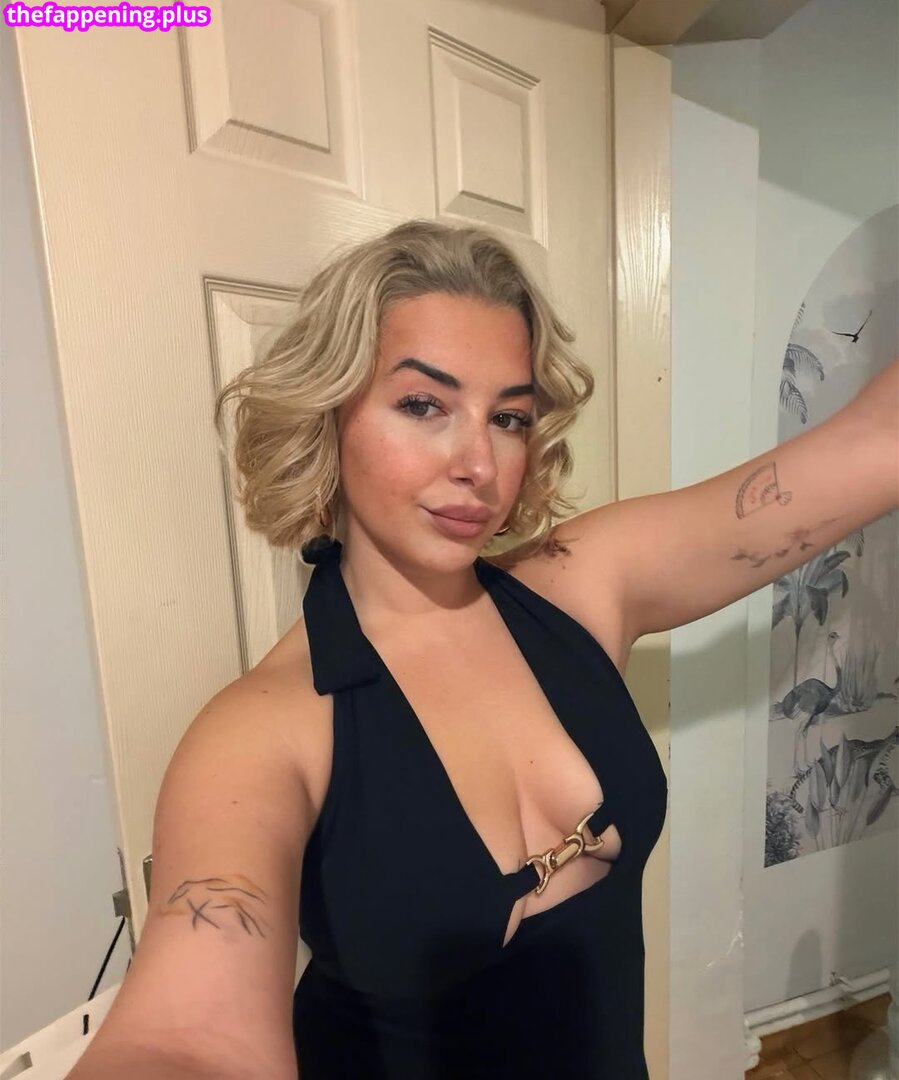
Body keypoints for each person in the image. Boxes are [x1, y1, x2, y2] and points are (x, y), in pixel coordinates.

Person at [66, 221, 899, 1080]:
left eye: (507, 418)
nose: (479, 463)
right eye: (423, 405)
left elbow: (873, 446)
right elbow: (187, 1035)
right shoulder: (260, 733)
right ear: (329, 413)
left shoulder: (582, 585)